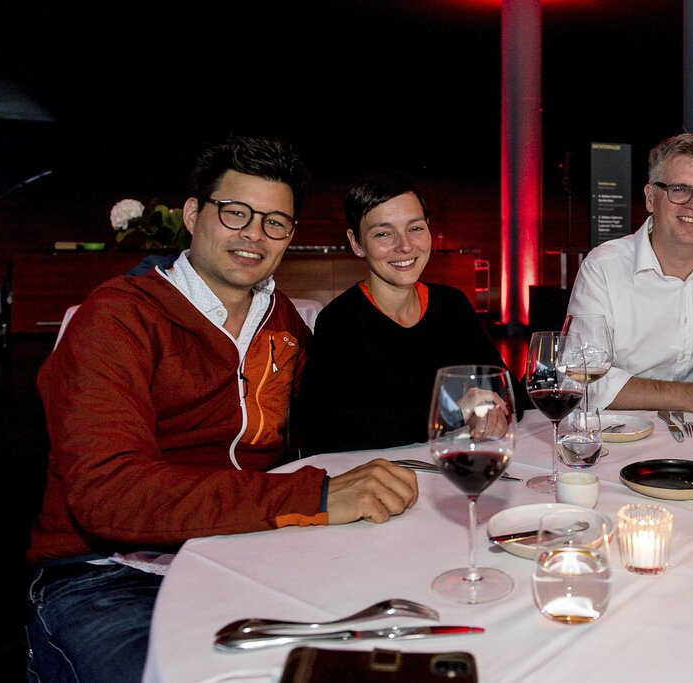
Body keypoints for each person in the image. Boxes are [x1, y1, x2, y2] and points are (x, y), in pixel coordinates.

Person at [25, 137, 419, 683]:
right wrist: (316, 494)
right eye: (236, 213)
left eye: (275, 222)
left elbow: (342, 418)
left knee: (385, 650)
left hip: (249, 551)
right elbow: (109, 494)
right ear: (193, 214)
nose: (255, 235)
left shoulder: (284, 324)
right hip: (112, 573)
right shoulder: (118, 319)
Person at [298, 171, 525, 454]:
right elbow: (327, 429)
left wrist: (494, 410)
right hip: (381, 477)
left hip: (455, 464)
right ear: (356, 243)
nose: (404, 245)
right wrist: (450, 412)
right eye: (383, 233)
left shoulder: (452, 305)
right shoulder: (340, 321)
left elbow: (509, 390)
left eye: (415, 228)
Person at [566, 132, 693, 412]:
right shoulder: (604, 268)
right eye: (680, 189)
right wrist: (691, 396)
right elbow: (583, 380)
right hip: (619, 438)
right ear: (651, 198)